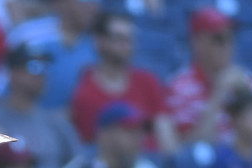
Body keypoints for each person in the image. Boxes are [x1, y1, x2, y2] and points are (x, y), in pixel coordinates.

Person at [0, 41, 81, 168]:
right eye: (35, 67)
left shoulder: (55, 123)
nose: (42, 75)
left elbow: (78, 167)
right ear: (13, 73)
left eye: (46, 68)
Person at [68, 11, 175, 153]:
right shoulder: (85, 91)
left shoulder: (147, 81)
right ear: (100, 41)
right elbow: (90, 146)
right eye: (119, 39)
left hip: (150, 160)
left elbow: (166, 137)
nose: (127, 45)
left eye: (130, 39)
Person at [165, 7, 252, 147]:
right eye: (219, 39)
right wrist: (219, 93)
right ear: (197, 43)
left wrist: (246, 97)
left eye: (230, 37)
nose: (227, 45)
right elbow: (192, 150)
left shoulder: (247, 81)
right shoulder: (178, 88)